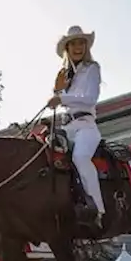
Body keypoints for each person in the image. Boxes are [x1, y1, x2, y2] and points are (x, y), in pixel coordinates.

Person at [48, 25, 104, 226]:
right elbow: (61, 101)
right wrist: (57, 92)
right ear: (67, 48)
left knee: (80, 157)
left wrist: (61, 97)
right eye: (74, 44)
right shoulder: (66, 75)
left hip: (86, 125)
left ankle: (97, 209)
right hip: (67, 126)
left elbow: (90, 99)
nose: (78, 47)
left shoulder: (92, 69)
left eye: (82, 43)